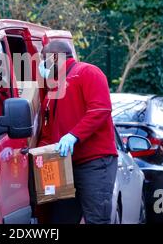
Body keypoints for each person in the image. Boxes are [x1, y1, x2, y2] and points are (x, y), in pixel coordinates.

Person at [37, 40, 118, 224]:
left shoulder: (87, 72)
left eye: (43, 59)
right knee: (59, 220)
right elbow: (48, 132)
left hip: (94, 162)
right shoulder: (53, 89)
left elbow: (100, 109)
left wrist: (74, 135)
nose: (42, 65)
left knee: (97, 219)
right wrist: (38, 154)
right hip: (65, 165)